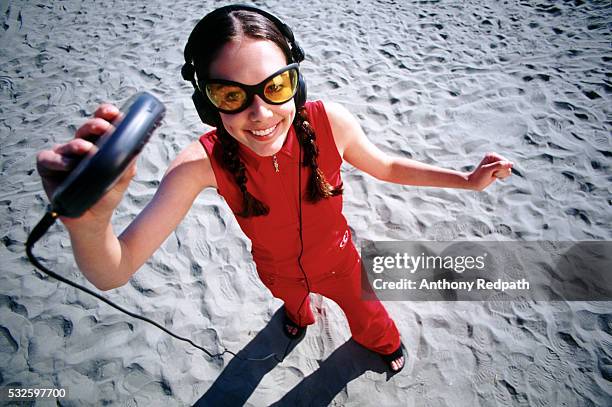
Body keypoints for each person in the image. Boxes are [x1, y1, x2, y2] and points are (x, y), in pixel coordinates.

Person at [35, 5, 513, 374]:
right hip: (277, 272)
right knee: (296, 307)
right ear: (207, 103)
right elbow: (113, 272)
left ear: (296, 83)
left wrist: (466, 181)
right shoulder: (200, 164)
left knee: (370, 317)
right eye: (231, 95)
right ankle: (300, 317)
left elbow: (386, 166)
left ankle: (383, 346)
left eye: (276, 86)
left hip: (342, 261)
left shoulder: (332, 124)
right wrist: (91, 222)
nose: (260, 114)